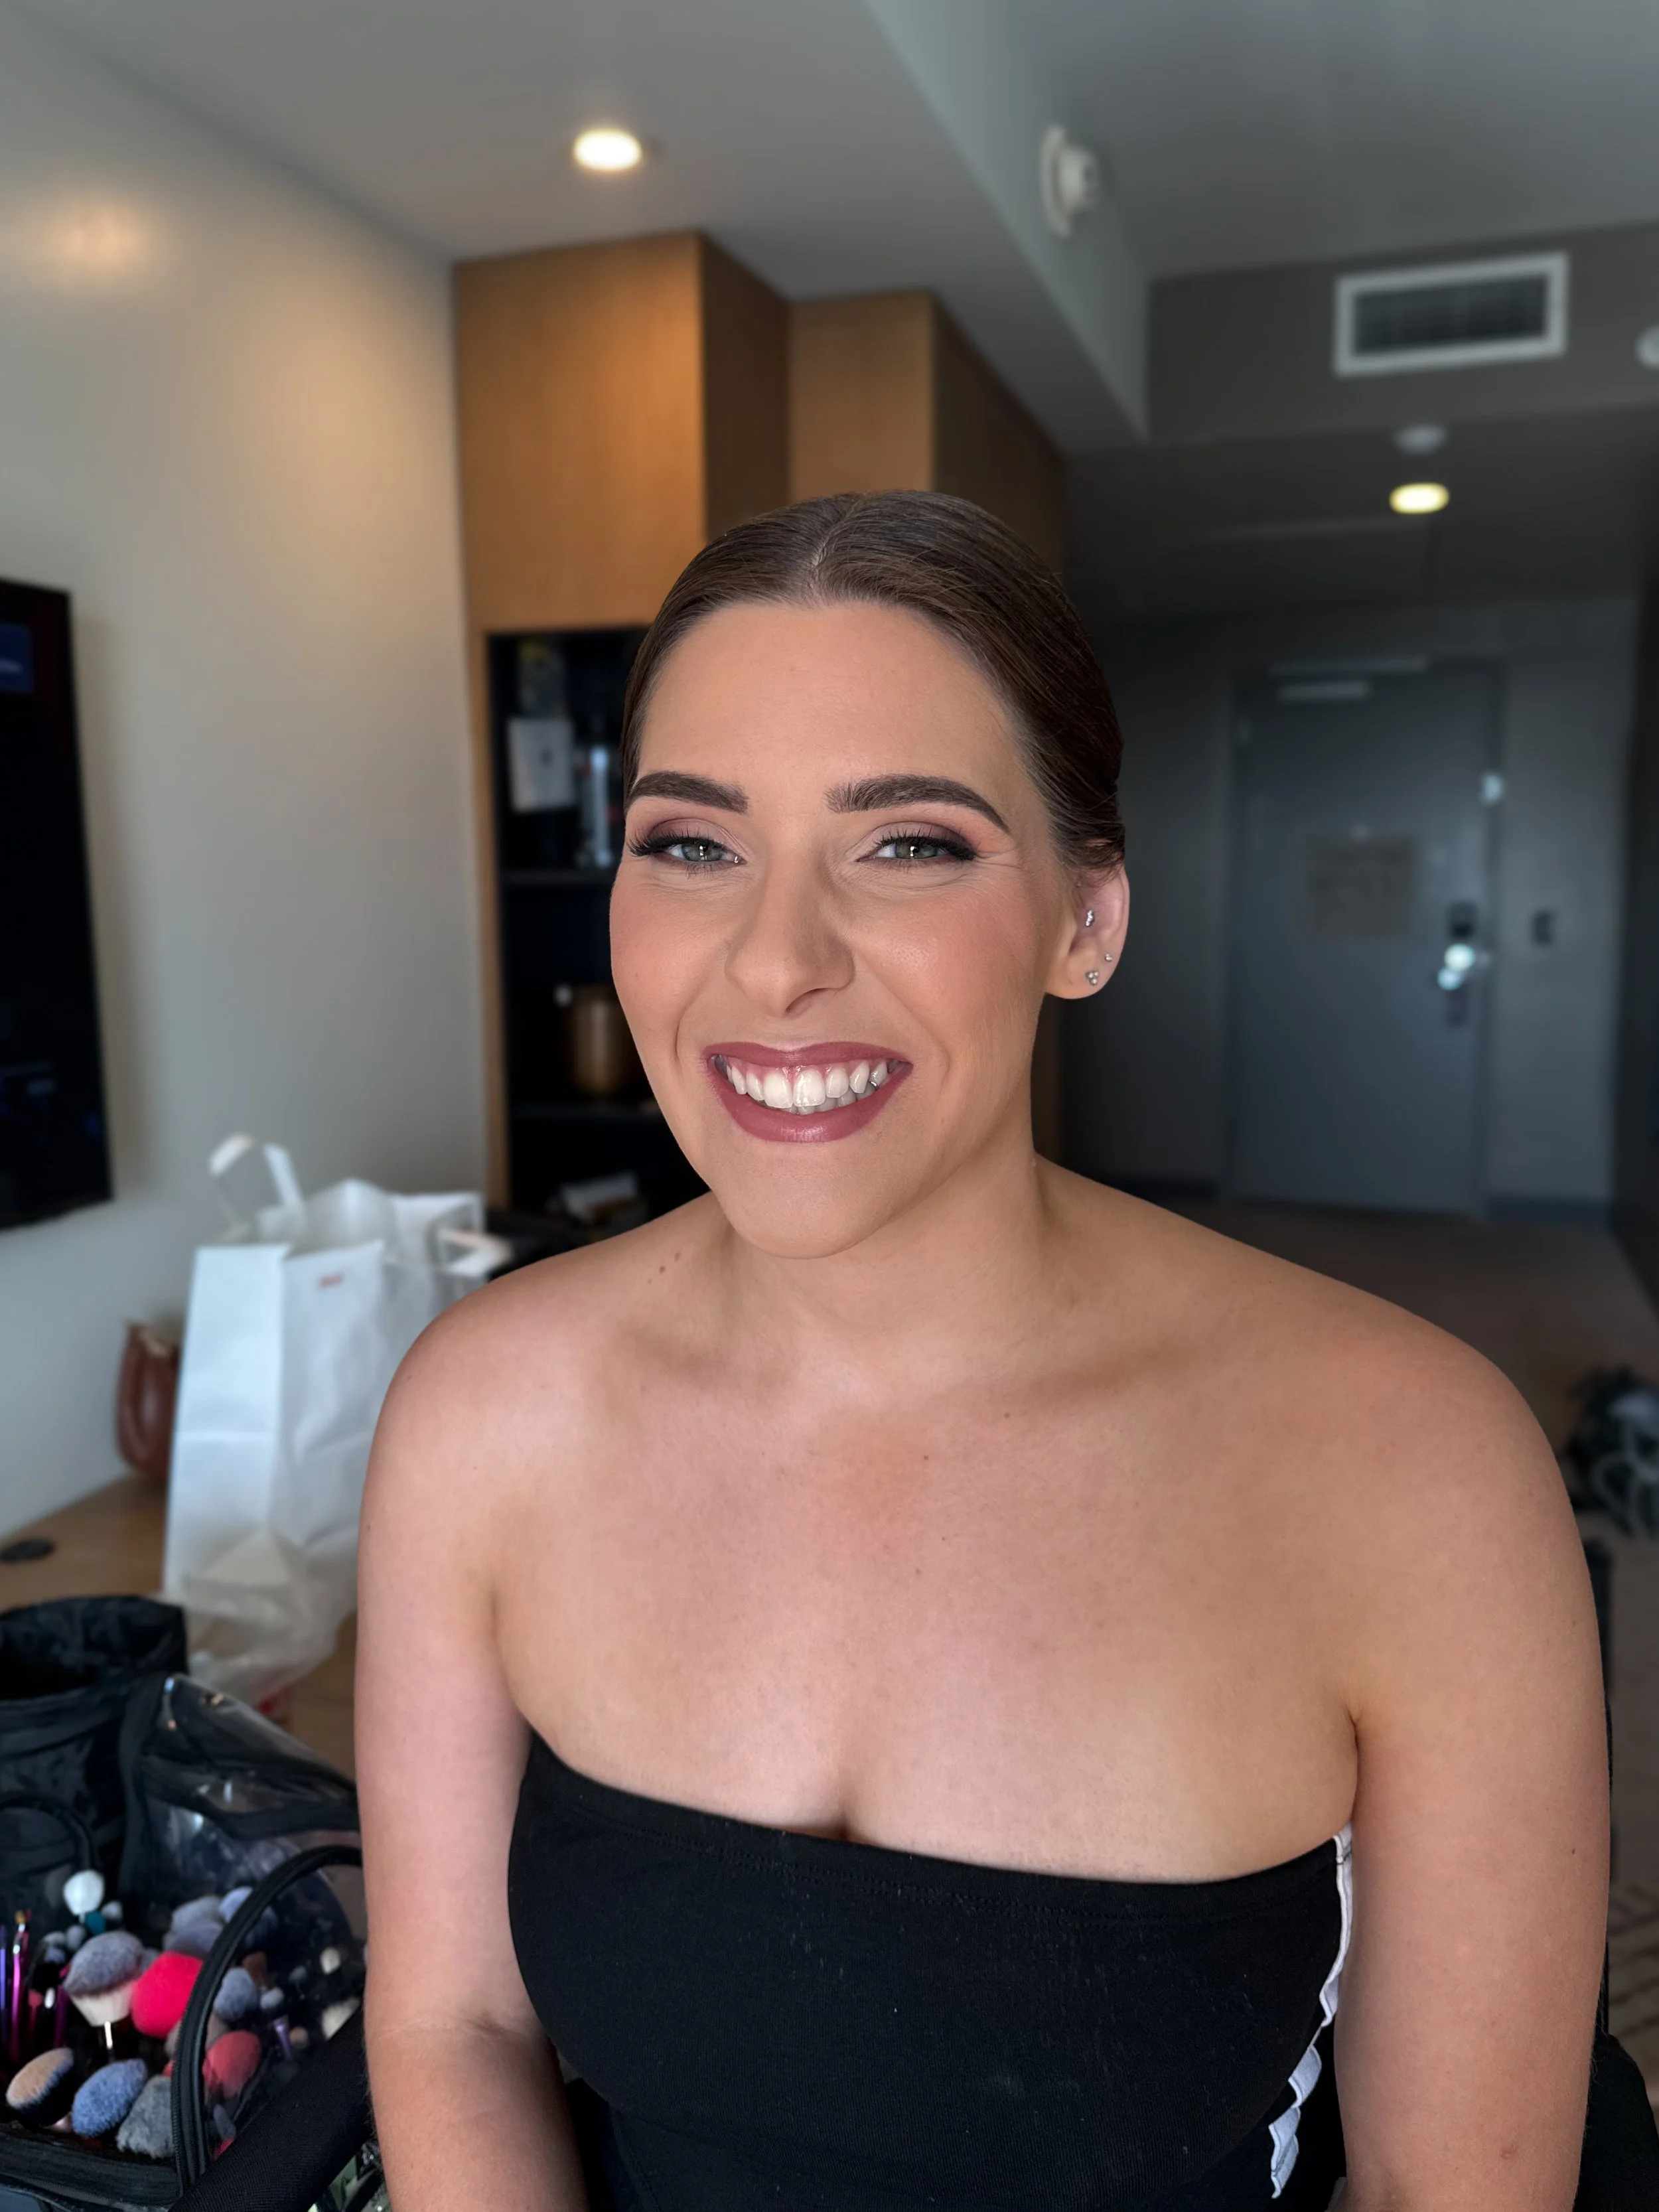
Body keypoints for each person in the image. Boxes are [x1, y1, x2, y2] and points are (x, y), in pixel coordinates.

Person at [356, 492, 1609, 2211]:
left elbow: (1446, 2188)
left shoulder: (1412, 1466)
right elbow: (452, 2024)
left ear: (1084, 919)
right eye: (692, 842)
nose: (775, 962)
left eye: (909, 843)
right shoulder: (482, 1412)